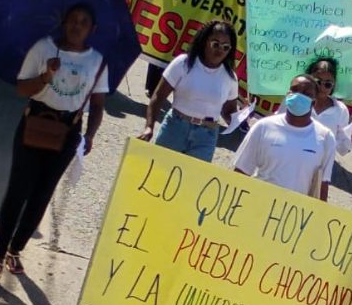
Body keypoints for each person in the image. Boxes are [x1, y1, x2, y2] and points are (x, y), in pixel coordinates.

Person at [0, 4, 109, 280]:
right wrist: (46, 76)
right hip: (34, 122)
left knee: (42, 194)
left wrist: (90, 135)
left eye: (84, 22)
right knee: (18, 190)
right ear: (64, 22)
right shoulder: (43, 49)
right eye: (73, 20)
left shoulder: (98, 61)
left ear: (92, 30)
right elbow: (21, 88)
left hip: (68, 132)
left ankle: (15, 250)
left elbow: (98, 104)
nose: (77, 26)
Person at [139, 19, 238, 161]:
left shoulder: (230, 77)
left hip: (206, 137)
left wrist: (241, 117)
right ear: (204, 41)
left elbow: (229, 113)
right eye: (215, 44)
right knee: (160, 174)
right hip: (176, 127)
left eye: (226, 47)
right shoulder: (183, 63)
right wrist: (149, 127)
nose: (220, 50)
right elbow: (158, 96)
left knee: (192, 181)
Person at [234, 75, 336, 200]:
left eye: (306, 93)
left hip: (295, 213)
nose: (298, 95)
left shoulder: (326, 138)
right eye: (295, 90)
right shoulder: (263, 126)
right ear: (288, 94)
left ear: (313, 102)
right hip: (258, 204)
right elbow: (240, 171)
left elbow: (323, 185)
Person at [302, 57, 352, 155]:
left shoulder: (341, 110)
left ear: (333, 85)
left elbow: (343, 149)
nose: (322, 87)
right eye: (318, 81)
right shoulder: (295, 101)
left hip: (321, 168)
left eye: (328, 84)